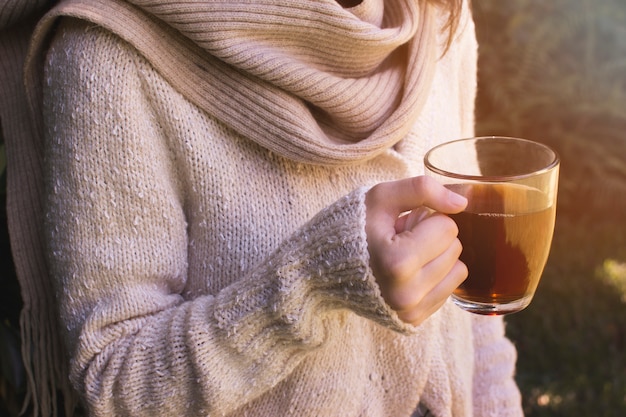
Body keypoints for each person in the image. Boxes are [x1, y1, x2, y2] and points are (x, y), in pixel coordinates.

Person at [2, 0, 524, 416]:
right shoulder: (108, 50)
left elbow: (474, 306)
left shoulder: (435, 18)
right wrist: (312, 282)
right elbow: (114, 381)